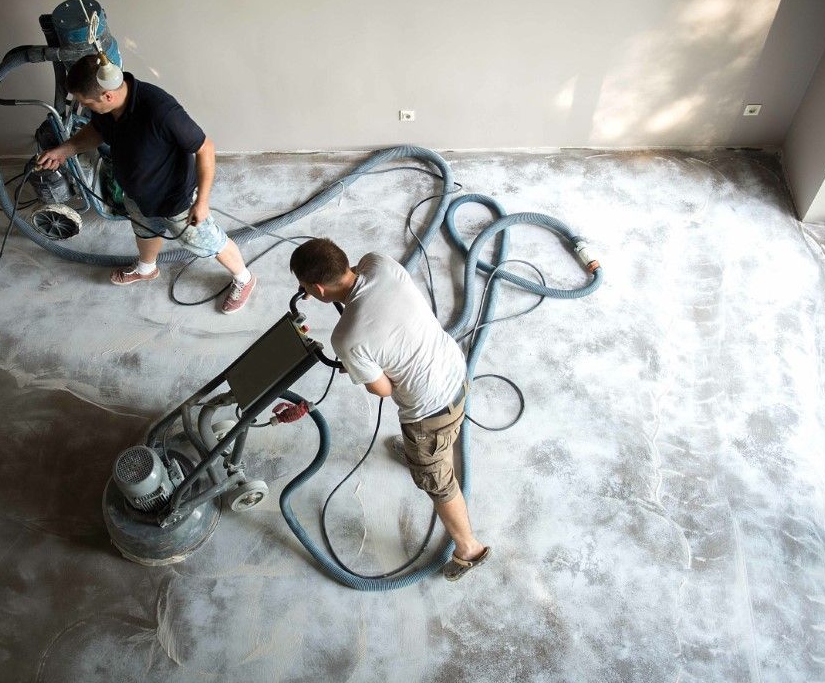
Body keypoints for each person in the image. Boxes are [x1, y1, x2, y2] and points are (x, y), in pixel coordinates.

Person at [289, 238, 491, 581]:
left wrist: (361, 365)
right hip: (455, 369)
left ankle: (469, 548)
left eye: (306, 287)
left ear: (318, 289)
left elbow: (383, 389)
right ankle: (420, 452)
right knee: (431, 443)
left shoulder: (346, 338)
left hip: (430, 411)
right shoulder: (378, 263)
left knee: (437, 481)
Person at [36, 54, 256, 314]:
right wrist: (65, 150)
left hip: (175, 199)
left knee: (207, 241)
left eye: (88, 103)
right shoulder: (107, 109)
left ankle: (244, 278)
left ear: (107, 96)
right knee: (144, 230)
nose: (87, 108)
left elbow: (205, 148)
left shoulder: (160, 111)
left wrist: (203, 202)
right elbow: (96, 130)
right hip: (136, 192)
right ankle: (146, 269)